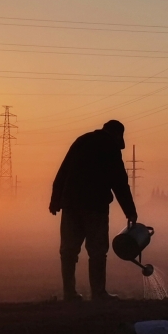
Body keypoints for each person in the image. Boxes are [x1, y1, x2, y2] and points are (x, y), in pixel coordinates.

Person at [49, 120, 137, 301]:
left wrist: (55, 200)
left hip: (71, 204)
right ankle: (98, 293)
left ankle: (69, 293)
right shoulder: (111, 147)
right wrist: (130, 211)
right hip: (96, 207)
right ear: (118, 135)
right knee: (97, 250)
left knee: (68, 250)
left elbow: (63, 172)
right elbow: (119, 183)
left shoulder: (81, 141)